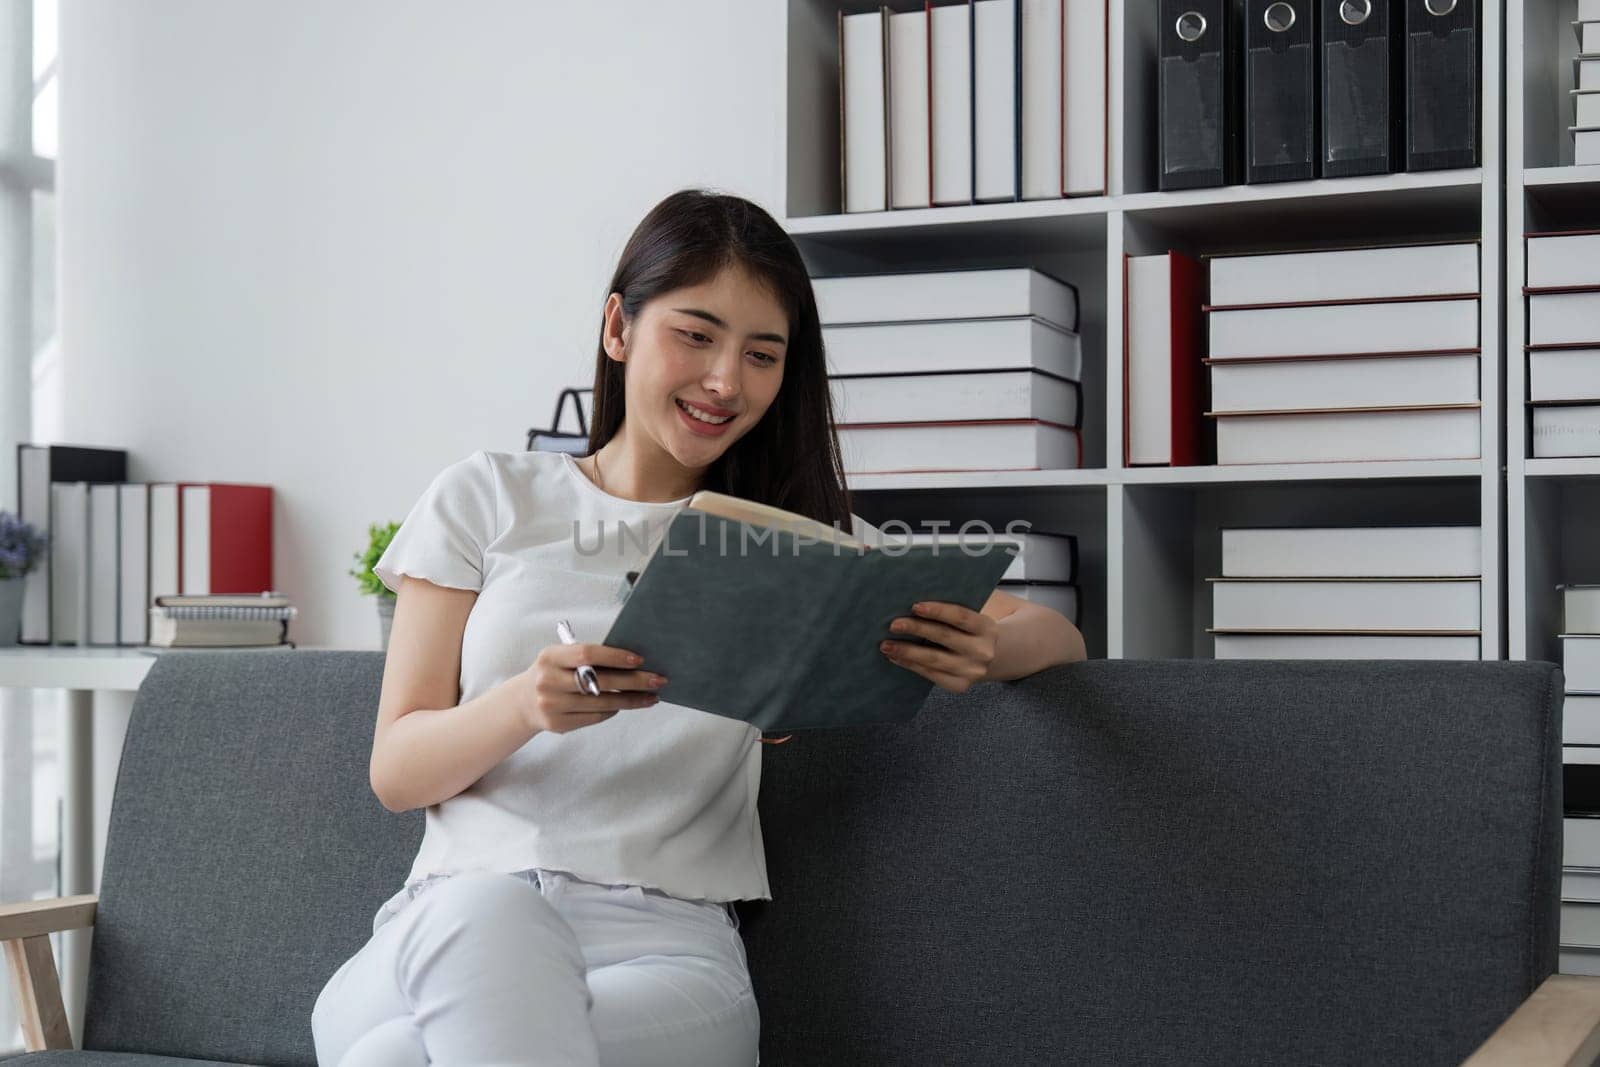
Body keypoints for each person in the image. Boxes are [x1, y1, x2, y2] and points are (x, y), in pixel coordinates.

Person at [310, 188, 1088, 1067]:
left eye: (763, 354)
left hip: (663, 949)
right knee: (487, 922)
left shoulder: (794, 545)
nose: (727, 380)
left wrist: (987, 649)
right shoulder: (486, 498)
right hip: (444, 921)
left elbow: (1056, 635)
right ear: (619, 328)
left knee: (390, 1060)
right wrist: (527, 704)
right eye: (696, 334)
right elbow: (397, 769)